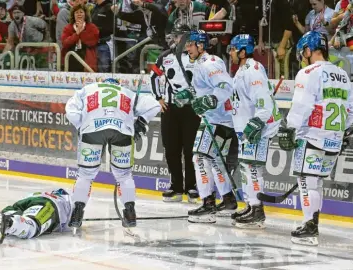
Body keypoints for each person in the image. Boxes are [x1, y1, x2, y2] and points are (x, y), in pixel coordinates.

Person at [278, 31, 353, 246]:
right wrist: (344, 130)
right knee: (317, 181)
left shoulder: (308, 72)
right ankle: (313, 222)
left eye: (304, 51)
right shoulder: (342, 74)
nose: (303, 55)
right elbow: (350, 109)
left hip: (311, 136)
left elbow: (302, 106)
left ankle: (310, 225)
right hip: (334, 139)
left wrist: (290, 128)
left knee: (306, 180)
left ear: (310, 50)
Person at [65, 78, 160, 230]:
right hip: (121, 131)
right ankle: (130, 214)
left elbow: (70, 109)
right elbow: (154, 105)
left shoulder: (87, 89)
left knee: (85, 175)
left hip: (92, 131)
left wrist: (81, 125)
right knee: (124, 175)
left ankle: (77, 213)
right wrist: (141, 122)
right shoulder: (127, 92)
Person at [176, 30, 238, 223]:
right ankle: (228, 200)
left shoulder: (210, 63)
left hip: (216, 120)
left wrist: (210, 100)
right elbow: (204, 88)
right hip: (222, 120)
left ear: (201, 46)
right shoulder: (203, 65)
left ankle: (208, 203)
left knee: (200, 158)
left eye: (191, 44)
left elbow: (226, 87)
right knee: (215, 160)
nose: (187, 48)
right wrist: (189, 94)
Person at [228, 34, 282, 229]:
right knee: (247, 168)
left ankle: (257, 210)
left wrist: (256, 123)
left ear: (243, 51)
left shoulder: (253, 70)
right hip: (246, 129)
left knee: (253, 168)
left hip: (257, 129)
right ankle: (252, 205)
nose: (231, 53)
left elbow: (264, 104)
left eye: (233, 49)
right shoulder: (242, 70)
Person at [150, 24, 200, 203]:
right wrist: (159, 98)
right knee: (171, 149)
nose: (176, 39)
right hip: (170, 108)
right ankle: (176, 186)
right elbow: (153, 76)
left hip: (192, 109)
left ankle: (192, 186)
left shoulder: (197, 57)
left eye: (180, 36)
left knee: (190, 149)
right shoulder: (165, 57)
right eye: (175, 36)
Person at [0, 188, 72, 244]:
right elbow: (73, 223)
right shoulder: (66, 202)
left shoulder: (46, 193)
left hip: (23, 201)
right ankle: (8, 222)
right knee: (32, 226)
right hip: (48, 205)